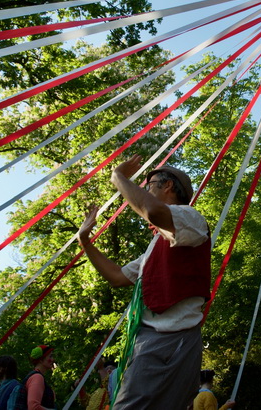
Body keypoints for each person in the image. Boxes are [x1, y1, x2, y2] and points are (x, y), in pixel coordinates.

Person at [77, 156, 210, 409]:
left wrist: (118, 177)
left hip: (171, 338)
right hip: (154, 338)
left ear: (168, 185)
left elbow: (154, 211)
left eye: (149, 185)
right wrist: (85, 242)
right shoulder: (157, 245)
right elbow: (117, 277)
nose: (145, 190)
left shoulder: (191, 217)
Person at [24, 345, 56, 410]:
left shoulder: (36, 376)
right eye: (50, 356)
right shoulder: (37, 377)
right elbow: (33, 407)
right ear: (41, 360)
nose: (53, 359)